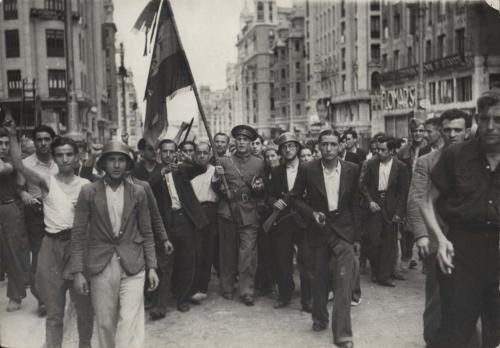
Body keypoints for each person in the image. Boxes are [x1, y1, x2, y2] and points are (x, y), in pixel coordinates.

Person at [421, 90, 500, 348]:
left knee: (496, 333)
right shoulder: (456, 155)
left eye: (498, 119)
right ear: (477, 118)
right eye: (485, 118)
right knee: (456, 333)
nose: (490, 126)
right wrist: (441, 240)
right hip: (461, 252)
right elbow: (427, 202)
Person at [7, 126, 94, 348]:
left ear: (76, 157)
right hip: (51, 248)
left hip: (79, 248)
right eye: (60, 154)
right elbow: (18, 165)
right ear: (54, 157)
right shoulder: (47, 182)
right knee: (54, 312)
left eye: (69, 154)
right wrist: (12, 135)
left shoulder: (86, 186)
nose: (65, 159)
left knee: (84, 309)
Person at [71, 140, 159, 348]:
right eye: (112, 160)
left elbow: (146, 231)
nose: (117, 165)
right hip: (101, 264)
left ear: (128, 164)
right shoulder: (88, 192)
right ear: (103, 164)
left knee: (129, 320)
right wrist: (78, 271)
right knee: (104, 323)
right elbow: (78, 234)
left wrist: (152, 267)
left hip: (133, 262)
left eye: (121, 160)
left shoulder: (138, 192)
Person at [407, 109, 471, 345]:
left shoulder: (480, 162)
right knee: (436, 300)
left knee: (472, 300)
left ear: (467, 132)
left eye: (458, 130)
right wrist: (422, 235)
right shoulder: (427, 161)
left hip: (471, 241)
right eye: (447, 130)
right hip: (437, 239)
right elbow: (416, 200)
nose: (452, 134)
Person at [291, 129, 360, 348]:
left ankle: (343, 335)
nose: (328, 149)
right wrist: (312, 213)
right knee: (318, 279)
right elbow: (294, 199)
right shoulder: (307, 169)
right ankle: (319, 317)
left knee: (343, 282)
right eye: (324, 144)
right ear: (318, 147)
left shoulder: (352, 169)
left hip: (344, 232)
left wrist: (356, 236)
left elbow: (356, 204)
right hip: (318, 230)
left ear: (341, 146)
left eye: (333, 144)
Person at [149, 139, 208, 313]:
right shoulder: (154, 172)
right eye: (165, 151)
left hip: (184, 220)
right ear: (159, 153)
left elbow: (201, 168)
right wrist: (163, 171)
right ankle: (160, 305)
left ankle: (182, 299)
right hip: (165, 223)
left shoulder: (181, 169)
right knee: (164, 263)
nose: (168, 155)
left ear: (175, 153)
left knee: (186, 260)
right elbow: (148, 184)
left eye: (171, 151)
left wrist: (188, 159)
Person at [213, 125, 265, 306]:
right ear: (234, 141)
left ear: (251, 143)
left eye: (246, 140)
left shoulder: (259, 163)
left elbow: (263, 189)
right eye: (239, 139)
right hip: (227, 211)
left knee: (248, 253)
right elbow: (215, 187)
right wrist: (216, 180)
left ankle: (247, 290)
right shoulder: (224, 162)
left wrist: (259, 188)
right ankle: (227, 287)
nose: (242, 142)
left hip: (249, 212)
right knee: (227, 252)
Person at [268, 132, 312, 312]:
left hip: (304, 221)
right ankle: (285, 295)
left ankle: (307, 299)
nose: (288, 149)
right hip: (284, 221)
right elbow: (269, 195)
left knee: (306, 261)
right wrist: (274, 202)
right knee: (282, 261)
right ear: (280, 151)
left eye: (292, 146)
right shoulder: (276, 171)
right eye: (284, 147)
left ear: (298, 148)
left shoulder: (309, 169)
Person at [17, 124, 58, 316]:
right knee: (39, 256)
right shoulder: (25, 164)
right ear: (35, 141)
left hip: (58, 211)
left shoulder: (60, 159)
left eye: (46, 139)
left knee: (58, 256)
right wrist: (23, 194)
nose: (42, 143)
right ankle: (41, 300)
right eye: (39, 139)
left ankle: (55, 297)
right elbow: (19, 188)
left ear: (52, 140)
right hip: (36, 212)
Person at [360, 136, 410, 287]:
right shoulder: (370, 164)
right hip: (375, 205)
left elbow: (403, 193)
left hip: (392, 206)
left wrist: (399, 213)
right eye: (378, 149)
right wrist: (370, 201)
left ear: (392, 151)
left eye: (383, 150)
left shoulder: (401, 167)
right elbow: (363, 185)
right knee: (373, 241)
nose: (379, 152)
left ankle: (385, 275)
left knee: (390, 242)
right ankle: (376, 270)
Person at [0, 126, 29, 313]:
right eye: (0, 144)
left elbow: (2, 169)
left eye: (6, 143)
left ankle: (16, 295)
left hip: (8, 208)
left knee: (12, 252)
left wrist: (12, 136)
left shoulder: (11, 161)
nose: (3, 147)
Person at [397, 118, 431, 271]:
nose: (418, 134)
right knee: (406, 227)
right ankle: (406, 257)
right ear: (411, 133)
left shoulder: (430, 149)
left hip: (426, 191)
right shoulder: (403, 151)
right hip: (407, 192)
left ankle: (426, 259)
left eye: (421, 131)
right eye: (415, 131)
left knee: (427, 224)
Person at [190, 141, 218, 304]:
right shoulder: (189, 171)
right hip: (194, 210)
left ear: (210, 154)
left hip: (210, 210)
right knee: (195, 249)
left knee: (208, 248)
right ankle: (193, 286)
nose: (201, 155)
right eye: (198, 152)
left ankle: (203, 286)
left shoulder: (215, 170)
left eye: (205, 153)